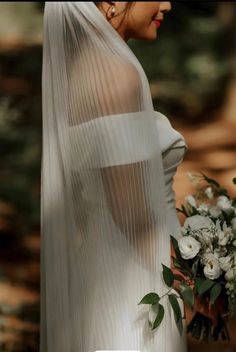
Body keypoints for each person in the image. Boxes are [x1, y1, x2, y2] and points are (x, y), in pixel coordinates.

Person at [40, 2, 189, 351]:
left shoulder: (82, 66)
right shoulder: (116, 74)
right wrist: (192, 277)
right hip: (137, 280)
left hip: (104, 266)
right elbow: (131, 213)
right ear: (114, 3)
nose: (167, 3)